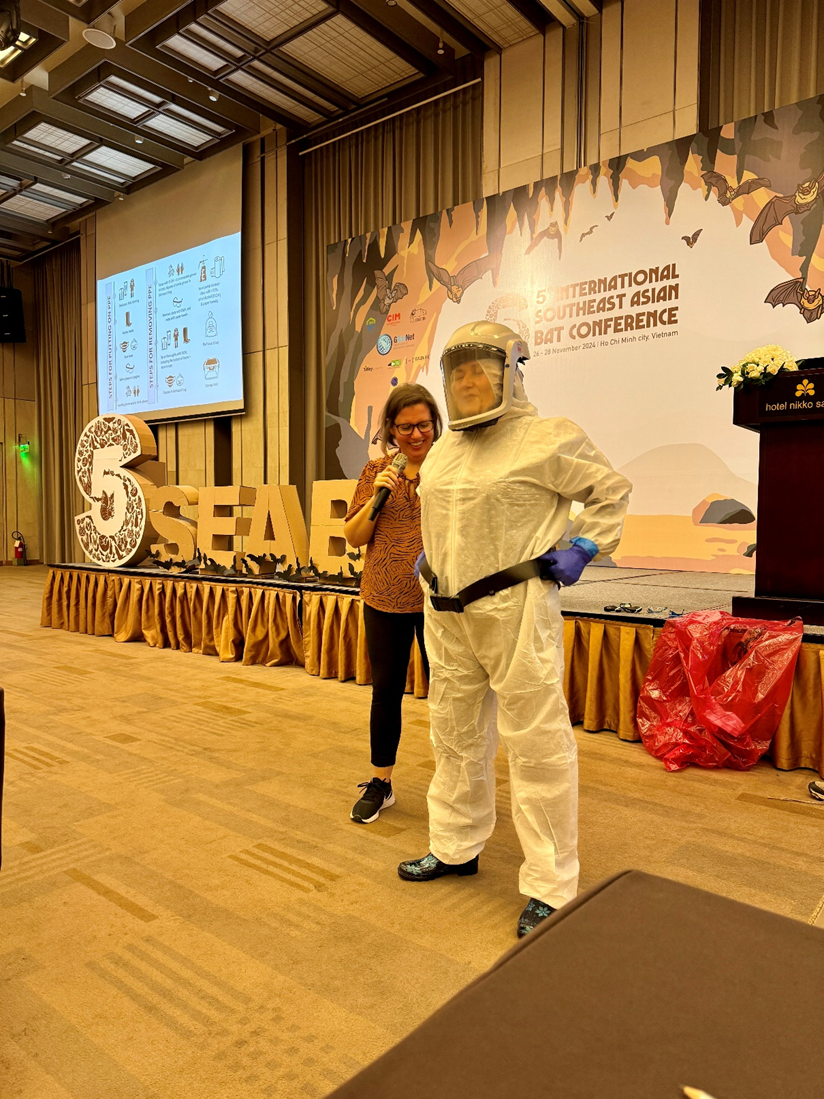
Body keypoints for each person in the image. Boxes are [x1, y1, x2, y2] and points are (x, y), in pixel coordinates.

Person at [397, 321, 632, 938]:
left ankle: (550, 885)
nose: (468, 381)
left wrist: (585, 546)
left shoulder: (546, 438)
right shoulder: (444, 450)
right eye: (458, 372)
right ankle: (455, 845)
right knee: (453, 733)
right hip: (446, 610)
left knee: (536, 742)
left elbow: (609, 491)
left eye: (480, 369)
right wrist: (432, 555)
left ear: (511, 371)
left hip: (515, 608)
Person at [344, 383, 442, 824]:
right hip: (384, 596)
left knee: (449, 696)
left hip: (440, 600)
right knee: (386, 692)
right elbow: (353, 537)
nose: (416, 434)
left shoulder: (450, 468)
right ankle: (380, 782)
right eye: (405, 427)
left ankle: (455, 784)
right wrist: (376, 498)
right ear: (390, 429)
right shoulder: (377, 471)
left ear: (435, 424)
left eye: (423, 425)